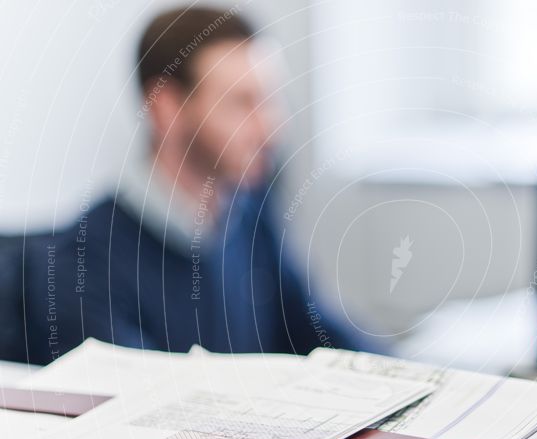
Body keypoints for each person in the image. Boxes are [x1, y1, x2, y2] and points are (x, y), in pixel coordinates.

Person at [25, 7, 370, 363]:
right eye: (242, 103)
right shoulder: (83, 262)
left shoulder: (251, 215)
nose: (271, 128)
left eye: (270, 100)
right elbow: (141, 404)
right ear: (166, 109)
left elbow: (322, 334)